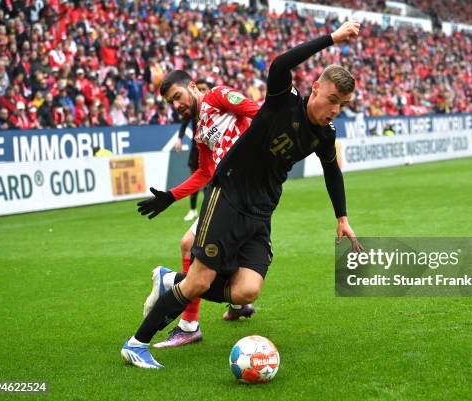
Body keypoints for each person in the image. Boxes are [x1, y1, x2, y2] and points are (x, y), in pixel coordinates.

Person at [121, 21, 363, 369]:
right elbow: (280, 64)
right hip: (230, 194)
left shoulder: (324, 134)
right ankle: (137, 343)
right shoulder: (284, 101)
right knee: (200, 281)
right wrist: (332, 38)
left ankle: (171, 281)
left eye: (342, 104)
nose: (335, 108)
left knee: (246, 290)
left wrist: (342, 218)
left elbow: (332, 171)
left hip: (261, 210)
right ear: (315, 88)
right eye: (332, 99)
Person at [126, 70, 260, 362]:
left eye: (177, 96)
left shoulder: (218, 96)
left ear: (192, 87)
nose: (176, 105)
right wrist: (171, 196)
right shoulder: (199, 130)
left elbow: (257, 111)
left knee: (205, 254)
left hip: (247, 194)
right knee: (192, 246)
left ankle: (177, 295)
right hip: (227, 195)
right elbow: (203, 172)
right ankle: (193, 323)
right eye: (171, 102)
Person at [174, 79, 213, 222]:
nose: (202, 92)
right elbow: (184, 122)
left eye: (204, 89)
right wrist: (179, 138)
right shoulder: (193, 107)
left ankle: (208, 210)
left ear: (209, 90)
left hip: (211, 149)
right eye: (200, 89)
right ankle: (192, 210)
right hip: (196, 148)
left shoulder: (214, 106)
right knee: (194, 179)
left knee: (210, 181)